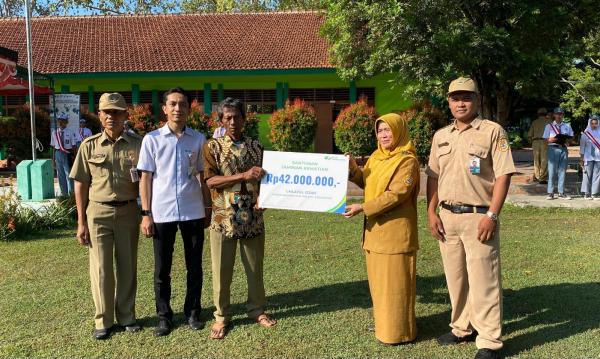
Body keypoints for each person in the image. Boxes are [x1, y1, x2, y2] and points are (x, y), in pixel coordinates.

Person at [426, 77, 515, 359]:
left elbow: (504, 174)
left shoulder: (492, 132)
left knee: (484, 281)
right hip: (447, 218)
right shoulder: (441, 136)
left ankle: (489, 341)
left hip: (479, 217)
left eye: (466, 97)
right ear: (449, 102)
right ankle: (461, 328)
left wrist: (492, 214)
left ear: (477, 100)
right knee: (456, 279)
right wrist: (430, 211)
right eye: (455, 98)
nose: (460, 102)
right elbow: (433, 176)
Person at [138, 87, 211, 337]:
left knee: (195, 265)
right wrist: (146, 213)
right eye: (172, 104)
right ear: (164, 108)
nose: (177, 108)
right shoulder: (152, 140)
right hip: (162, 212)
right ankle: (164, 317)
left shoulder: (199, 140)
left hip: (193, 210)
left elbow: (203, 176)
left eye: (182, 104)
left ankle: (192, 312)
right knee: (162, 269)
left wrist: (207, 208)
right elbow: (145, 178)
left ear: (189, 108)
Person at [69, 92, 143, 340]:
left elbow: (146, 180)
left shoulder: (137, 144)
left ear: (125, 115)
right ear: (99, 116)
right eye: (107, 112)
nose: (111, 116)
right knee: (101, 268)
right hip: (98, 212)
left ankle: (127, 316)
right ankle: (103, 320)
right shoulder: (88, 146)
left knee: (127, 265)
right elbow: (80, 183)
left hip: (129, 211)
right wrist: (81, 222)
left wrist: (146, 213)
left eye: (116, 112)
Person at [203, 97, 276, 340]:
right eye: (228, 117)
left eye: (237, 117)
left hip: (252, 217)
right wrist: (244, 175)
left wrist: (265, 198)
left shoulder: (257, 146)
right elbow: (211, 181)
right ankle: (222, 316)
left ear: (244, 119)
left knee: (255, 269)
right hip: (223, 219)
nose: (233, 121)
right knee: (221, 271)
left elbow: (268, 179)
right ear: (221, 120)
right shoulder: (212, 147)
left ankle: (257, 309)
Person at [344, 113, 420, 345]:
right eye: (380, 130)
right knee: (379, 283)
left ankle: (399, 332)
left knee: (397, 284)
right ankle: (384, 324)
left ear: (398, 131)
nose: (384, 135)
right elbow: (364, 181)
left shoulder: (407, 160)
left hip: (396, 233)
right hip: (374, 232)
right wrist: (351, 168)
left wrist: (362, 207)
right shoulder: (376, 157)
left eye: (388, 130)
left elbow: (396, 194)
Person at [543, 107, 574, 200]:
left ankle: (561, 192)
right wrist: (552, 139)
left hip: (563, 149)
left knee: (562, 171)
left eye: (561, 114)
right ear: (554, 115)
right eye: (557, 114)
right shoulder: (549, 126)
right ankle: (550, 192)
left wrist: (568, 140)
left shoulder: (567, 126)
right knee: (552, 171)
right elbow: (545, 139)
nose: (559, 116)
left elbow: (571, 137)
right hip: (553, 148)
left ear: (563, 115)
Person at [50, 114, 76, 196]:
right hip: (58, 153)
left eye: (63, 121)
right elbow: (54, 147)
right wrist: (53, 159)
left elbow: (74, 146)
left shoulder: (70, 132)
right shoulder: (54, 133)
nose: (61, 123)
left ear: (66, 122)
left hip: (67, 154)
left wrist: (75, 158)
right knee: (60, 174)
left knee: (69, 174)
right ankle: (64, 194)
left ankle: (71, 194)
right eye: (59, 121)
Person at [580, 114, 600, 200]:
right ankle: (586, 193)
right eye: (592, 123)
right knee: (587, 175)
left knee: (597, 175)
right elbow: (582, 147)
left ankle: (594, 193)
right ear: (589, 123)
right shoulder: (585, 134)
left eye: (596, 123)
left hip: (598, 158)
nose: (594, 125)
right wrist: (581, 158)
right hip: (588, 157)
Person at [527, 108, 550, 183]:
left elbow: (530, 135)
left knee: (536, 160)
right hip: (545, 141)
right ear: (546, 114)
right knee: (544, 159)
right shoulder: (549, 122)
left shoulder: (534, 122)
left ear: (538, 114)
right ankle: (542, 177)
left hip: (535, 141)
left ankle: (537, 176)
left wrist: (531, 142)